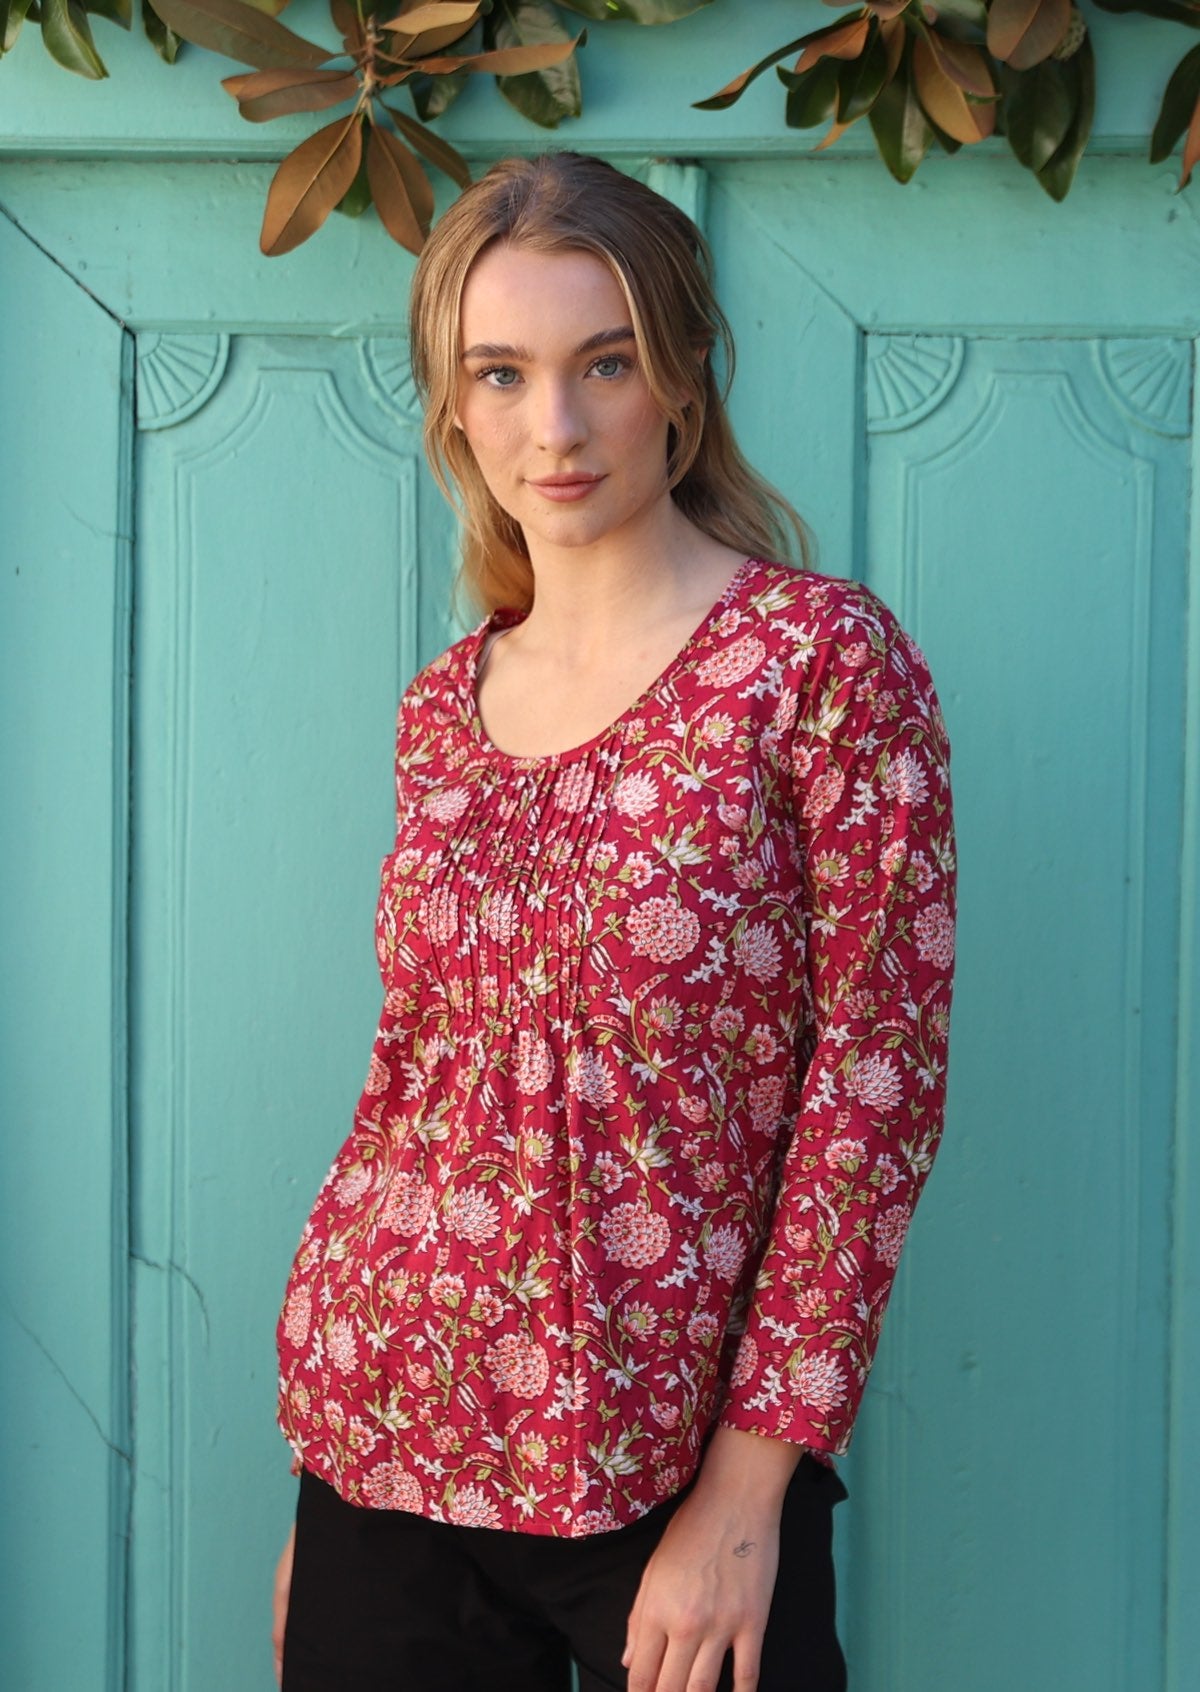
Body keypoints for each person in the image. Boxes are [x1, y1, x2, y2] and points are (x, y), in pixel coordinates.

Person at [271, 151, 956, 1692]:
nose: (555, 428)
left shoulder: (818, 667)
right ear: (455, 406)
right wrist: (336, 1482)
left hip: (670, 1482)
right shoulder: (446, 708)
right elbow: (411, 1093)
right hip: (387, 1444)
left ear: (684, 378)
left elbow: (874, 1090)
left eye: (607, 364)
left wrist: (746, 1495)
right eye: (499, 374)